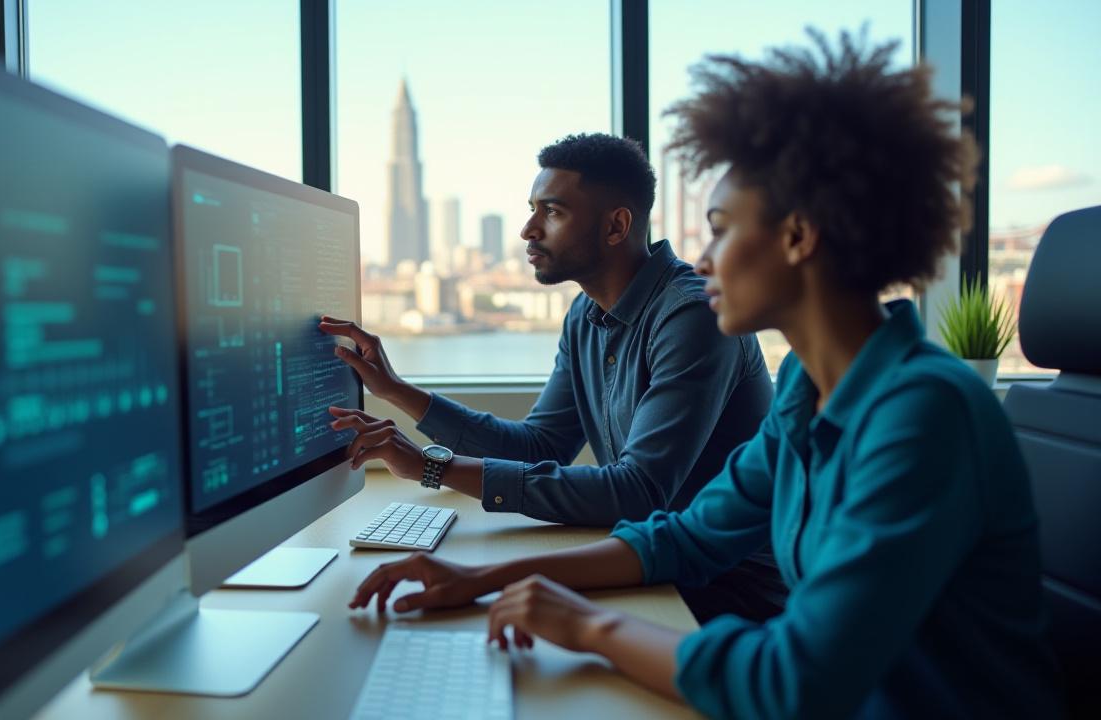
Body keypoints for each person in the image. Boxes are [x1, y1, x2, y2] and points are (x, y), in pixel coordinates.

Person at [347, 30, 1062, 719]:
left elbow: (793, 684)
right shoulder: (808, 393)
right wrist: (483, 580)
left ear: (798, 236)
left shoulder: (924, 413)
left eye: (721, 228)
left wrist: (588, 626)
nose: (705, 258)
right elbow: (682, 537)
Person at [322, 132, 784, 624]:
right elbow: (541, 445)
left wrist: (432, 467)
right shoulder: (585, 315)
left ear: (616, 226)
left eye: (552, 212)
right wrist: (396, 391)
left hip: (730, 595)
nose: (528, 229)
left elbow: (638, 492)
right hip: (649, 563)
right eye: (532, 209)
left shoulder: (691, 317)